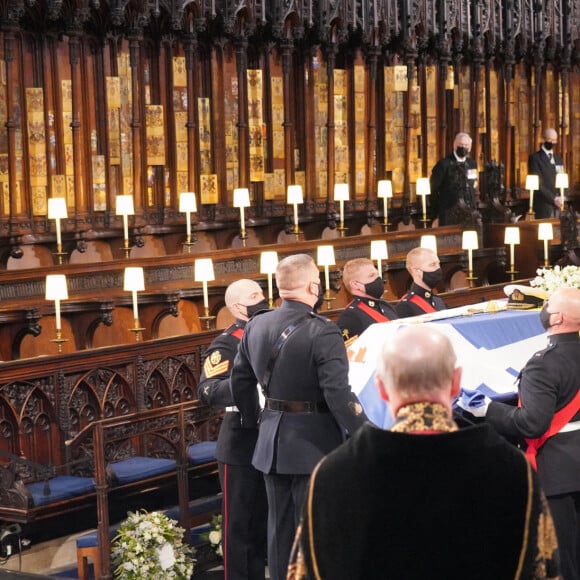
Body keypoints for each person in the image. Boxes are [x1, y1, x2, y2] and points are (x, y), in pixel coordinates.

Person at [287, 326, 560, 580]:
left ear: (381, 388)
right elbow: (544, 568)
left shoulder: (334, 474)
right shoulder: (509, 468)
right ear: (455, 383)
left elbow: (303, 571)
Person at [230, 254, 367, 580]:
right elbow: (338, 395)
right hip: (314, 446)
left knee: (279, 534)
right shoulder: (323, 332)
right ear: (313, 285)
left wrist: (255, 423)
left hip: (272, 444)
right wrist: (365, 434)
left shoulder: (256, 325)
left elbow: (240, 382)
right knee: (319, 533)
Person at [459, 286, 580, 580]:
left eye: (548, 304)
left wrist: (486, 410)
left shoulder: (544, 363)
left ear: (558, 317)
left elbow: (531, 424)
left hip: (558, 475)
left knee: (563, 562)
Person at [197, 279, 268, 580]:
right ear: (238, 307)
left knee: (266, 522)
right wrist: (247, 385)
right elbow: (208, 390)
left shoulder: (272, 330)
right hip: (241, 443)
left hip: (271, 438)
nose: (262, 299)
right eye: (255, 296)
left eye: (262, 292)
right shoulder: (228, 342)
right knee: (239, 527)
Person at [336, 257, 398, 346]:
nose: (378, 279)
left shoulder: (386, 306)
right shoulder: (350, 316)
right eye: (372, 276)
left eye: (377, 275)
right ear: (355, 285)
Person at [430, 132, 478, 225]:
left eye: (466, 145)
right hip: (448, 212)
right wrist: (436, 215)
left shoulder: (472, 164)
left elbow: (472, 184)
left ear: (470, 148)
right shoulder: (444, 164)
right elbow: (433, 189)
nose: (463, 147)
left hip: (469, 211)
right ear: (455, 145)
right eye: (461, 144)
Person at [396, 247, 447, 318]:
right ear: (416, 271)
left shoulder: (437, 300)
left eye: (438, 264)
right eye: (433, 264)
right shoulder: (406, 305)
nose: (438, 268)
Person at [528, 128, 565, 218]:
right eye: (549, 139)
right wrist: (553, 198)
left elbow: (562, 178)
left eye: (554, 140)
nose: (552, 142)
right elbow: (538, 184)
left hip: (558, 205)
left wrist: (562, 196)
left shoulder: (558, 159)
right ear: (543, 139)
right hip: (544, 205)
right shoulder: (535, 158)